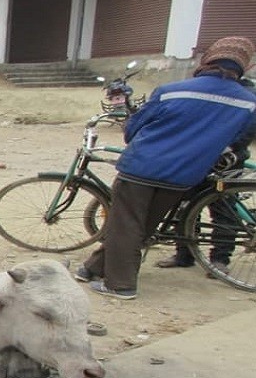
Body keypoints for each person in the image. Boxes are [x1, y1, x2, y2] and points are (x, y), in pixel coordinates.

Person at [76, 36, 256, 300]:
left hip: (142, 168)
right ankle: (92, 268)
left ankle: (120, 285)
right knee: (143, 226)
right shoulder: (247, 102)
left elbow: (134, 128)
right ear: (244, 65)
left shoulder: (172, 89)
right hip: (184, 175)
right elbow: (237, 140)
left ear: (208, 59)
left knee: (124, 226)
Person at [153, 77, 256, 276]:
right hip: (194, 157)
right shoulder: (206, 89)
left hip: (226, 160)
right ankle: (184, 255)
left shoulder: (247, 96)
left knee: (222, 208)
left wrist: (226, 148)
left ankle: (219, 259)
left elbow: (246, 132)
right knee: (184, 207)